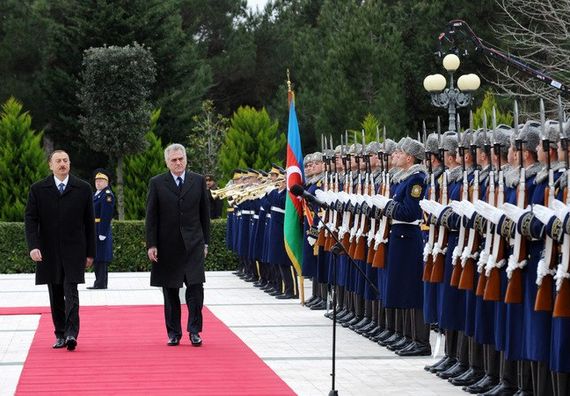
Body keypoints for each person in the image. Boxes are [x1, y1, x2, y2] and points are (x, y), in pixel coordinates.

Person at [24, 150, 95, 351]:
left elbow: (89, 223)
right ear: (50, 165)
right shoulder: (38, 189)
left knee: (71, 290)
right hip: (49, 251)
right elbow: (30, 219)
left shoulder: (82, 188)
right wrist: (33, 246)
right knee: (55, 293)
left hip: (74, 250)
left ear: (69, 164)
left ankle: (72, 333)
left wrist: (90, 253)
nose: (62, 164)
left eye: (65, 160)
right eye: (58, 161)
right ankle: (60, 333)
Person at [145, 143, 210, 347]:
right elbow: (151, 216)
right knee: (170, 290)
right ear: (167, 162)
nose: (178, 162)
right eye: (174, 160)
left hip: (193, 244)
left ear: (186, 159)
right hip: (167, 245)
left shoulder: (198, 181)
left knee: (195, 288)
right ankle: (174, 332)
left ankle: (194, 331)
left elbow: (204, 215)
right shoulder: (157, 183)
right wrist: (152, 244)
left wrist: (206, 242)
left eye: (181, 158)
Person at [88, 169, 114, 289]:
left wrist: (102, 232)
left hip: (101, 229)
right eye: (97, 181)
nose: (98, 183)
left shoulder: (106, 194)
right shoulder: (98, 194)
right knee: (97, 256)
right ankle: (99, 282)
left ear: (106, 182)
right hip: (95, 228)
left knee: (101, 257)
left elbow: (106, 215)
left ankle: (101, 283)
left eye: (101, 181)